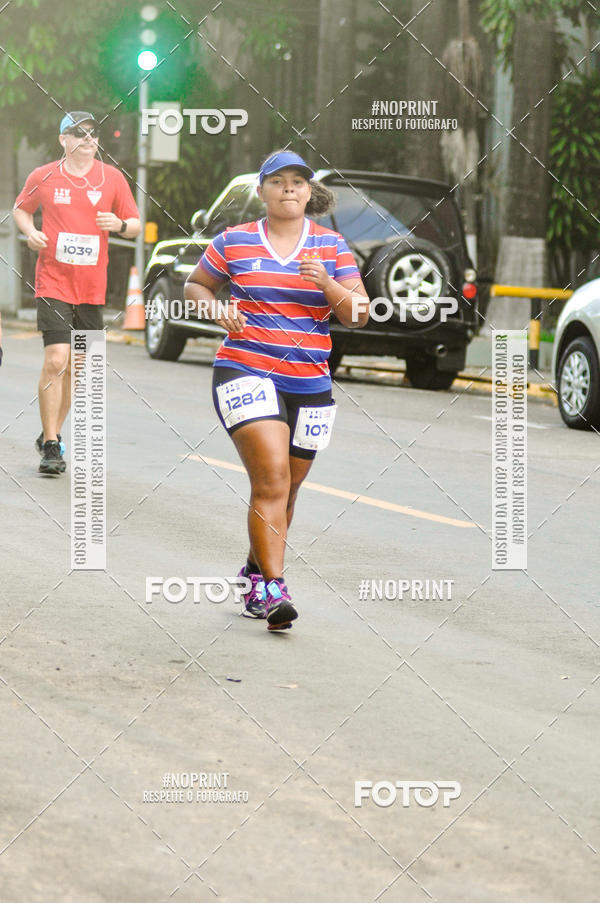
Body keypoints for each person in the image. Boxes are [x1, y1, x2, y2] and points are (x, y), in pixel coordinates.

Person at [185, 150, 369, 631]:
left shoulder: (331, 246)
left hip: (310, 383)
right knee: (270, 480)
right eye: (279, 181)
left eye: (298, 182)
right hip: (245, 368)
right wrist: (216, 309)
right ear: (262, 190)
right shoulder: (235, 240)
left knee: (286, 491)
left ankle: (253, 572)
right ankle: (274, 588)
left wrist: (327, 282)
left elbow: (358, 312)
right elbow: (196, 286)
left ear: (309, 192)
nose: (289, 188)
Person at [13, 111, 140, 475]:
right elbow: (21, 210)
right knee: (56, 358)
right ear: (63, 140)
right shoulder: (44, 176)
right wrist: (30, 232)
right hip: (53, 281)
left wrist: (118, 224)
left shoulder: (112, 178)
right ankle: (52, 446)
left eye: (92, 133)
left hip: (91, 287)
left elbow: (133, 223)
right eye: (77, 133)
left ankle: (49, 431)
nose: (86, 138)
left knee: (78, 366)